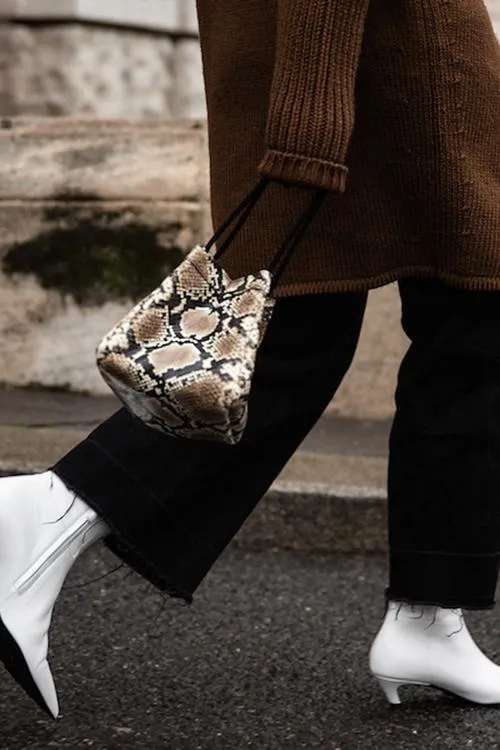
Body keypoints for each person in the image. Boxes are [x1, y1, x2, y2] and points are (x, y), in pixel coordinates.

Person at [0, 0, 499, 720]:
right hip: (387, 62)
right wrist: (309, 118)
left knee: (323, 325)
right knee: (414, 317)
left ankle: (431, 615)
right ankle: (52, 511)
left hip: (358, 61)